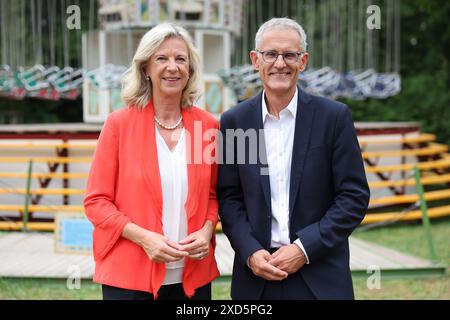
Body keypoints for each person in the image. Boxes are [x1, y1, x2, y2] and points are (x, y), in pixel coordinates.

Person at [217, 17, 370, 300]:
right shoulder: (235, 122)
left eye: (289, 55)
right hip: (257, 278)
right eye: (271, 54)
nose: (279, 63)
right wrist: (250, 252)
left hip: (320, 274)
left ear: (303, 61)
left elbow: (353, 196)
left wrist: (303, 249)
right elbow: (229, 198)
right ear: (255, 59)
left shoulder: (333, 118)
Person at [84, 23, 220, 300]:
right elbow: (96, 202)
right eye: (162, 58)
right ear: (146, 68)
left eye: (181, 59)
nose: (173, 67)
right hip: (129, 276)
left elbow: (214, 195)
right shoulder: (119, 124)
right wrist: (144, 238)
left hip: (192, 275)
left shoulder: (207, 127)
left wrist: (207, 231)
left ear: (190, 70)